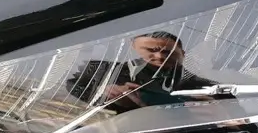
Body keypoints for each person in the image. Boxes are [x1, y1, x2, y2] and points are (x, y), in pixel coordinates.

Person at [67, 31, 230, 113]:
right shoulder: (103, 72)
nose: (159, 56)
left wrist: (218, 115)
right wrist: (102, 93)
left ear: (182, 54)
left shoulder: (208, 89)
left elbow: (241, 126)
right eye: (151, 50)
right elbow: (69, 87)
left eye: (168, 52)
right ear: (132, 49)